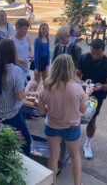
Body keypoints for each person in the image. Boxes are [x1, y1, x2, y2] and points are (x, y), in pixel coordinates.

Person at [38, 54, 91, 185]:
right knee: (75, 156)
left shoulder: (46, 87)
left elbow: (41, 111)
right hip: (72, 127)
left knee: (53, 157)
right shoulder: (78, 89)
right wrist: (87, 94)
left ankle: (53, 183)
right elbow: (84, 110)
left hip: (52, 126)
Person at [0, 39, 37, 156]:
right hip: (11, 116)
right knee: (25, 142)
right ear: (13, 52)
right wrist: (29, 85)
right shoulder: (15, 71)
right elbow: (19, 96)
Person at [77, 39, 107, 159]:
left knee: (92, 119)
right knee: (74, 115)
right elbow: (77, 75)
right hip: (81, 91)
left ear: (103, 51)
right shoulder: (84, 58)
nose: (94, 56)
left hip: (97, 96)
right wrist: (81, 82)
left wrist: (101, 86)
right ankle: (71, 139)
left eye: (97, 53)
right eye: (92, 52)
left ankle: (88, 144)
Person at [33, 23, 50, 88]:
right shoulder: (37, 40)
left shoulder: (47, 39)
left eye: (45, 29)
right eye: (42, 29)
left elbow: (48, 52)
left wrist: (48, 63)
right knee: (37, 80)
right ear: (40, 30)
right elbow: (36, 54)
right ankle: (33, 95)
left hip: (45, 61)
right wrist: (36, 67)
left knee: (45, 80)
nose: (44, 30)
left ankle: (45, 95)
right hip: (39, 61)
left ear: (48, 30)